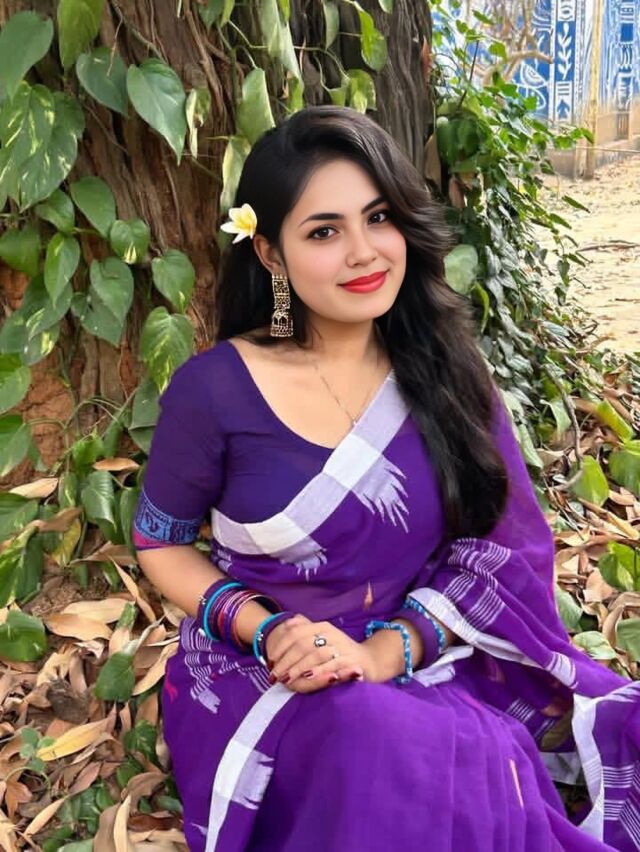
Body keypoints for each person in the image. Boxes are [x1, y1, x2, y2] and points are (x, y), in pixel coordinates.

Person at [133, 105, 639, 852]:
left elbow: (499, 549)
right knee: (376, 741)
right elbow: (161, 542)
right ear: (270, 254)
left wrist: (385, 652)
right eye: (324, 232)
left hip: (415, 653)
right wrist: (267, 629)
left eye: (378, 218)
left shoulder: (445, 373)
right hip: (263, 671)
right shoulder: (214, 392)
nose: (364, 252)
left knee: (446, 751)